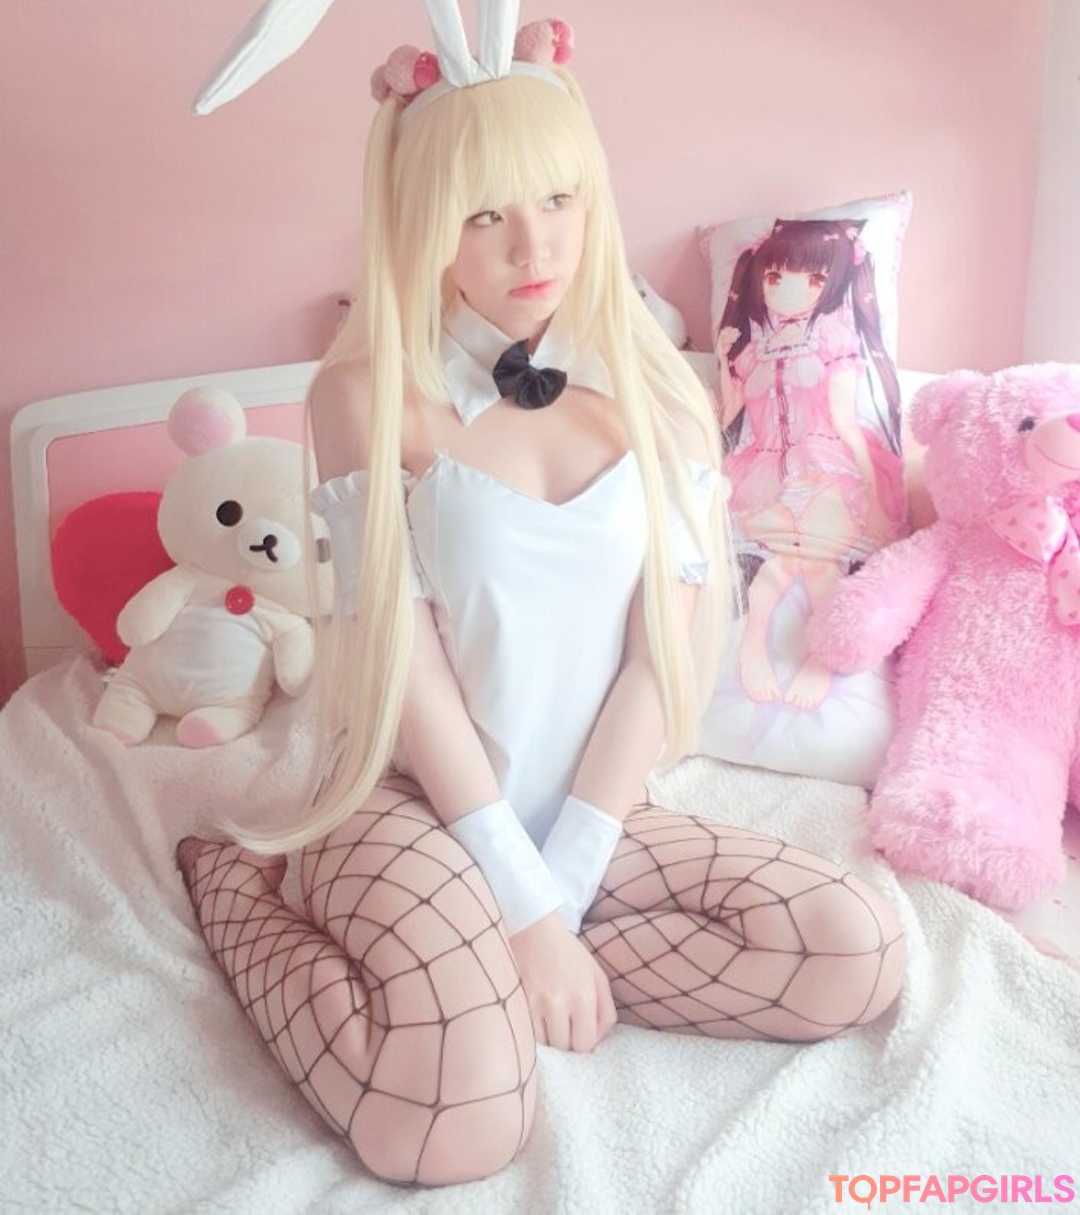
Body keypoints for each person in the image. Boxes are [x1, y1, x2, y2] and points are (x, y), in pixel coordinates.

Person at [176, 64, 906, 1188]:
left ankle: (501, 966)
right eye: (485, 215)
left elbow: (655, 664)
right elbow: (407, 670)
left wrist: (556, 895)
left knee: (860, 950)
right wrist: (522, 910)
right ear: (427, 224)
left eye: (559, 199)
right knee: (451, 1124)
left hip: (592, 809)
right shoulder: (367, 395)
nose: (536, 247)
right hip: (415, 800)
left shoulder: (659, 393)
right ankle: (234, 886)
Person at [714, 219, 906, 709]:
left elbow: (845, 422)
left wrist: (874, 494)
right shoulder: (752, 352)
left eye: (813, 279)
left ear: (831, 285)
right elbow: (732, 413)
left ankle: (816, 658)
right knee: (781, 564)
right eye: (775, 277)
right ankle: (754, 647)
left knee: (815, 563)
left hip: (825, 467)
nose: (789, 290)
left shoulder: (833, 341)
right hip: (762, 471)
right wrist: (721, 361)